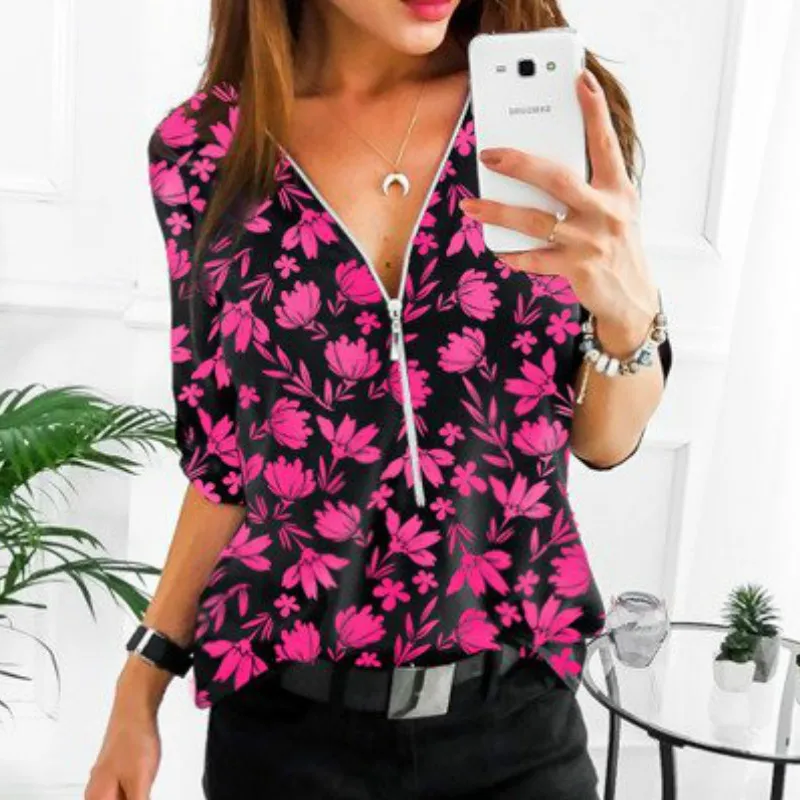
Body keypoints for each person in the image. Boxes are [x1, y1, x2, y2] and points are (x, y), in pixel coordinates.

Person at [85, 1, 673, 798]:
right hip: (285, 740)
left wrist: (629, 311)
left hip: (517, 732)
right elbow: (227, 462)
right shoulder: (206, 150)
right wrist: (142, 679)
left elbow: (604, 440)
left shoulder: (551, 110)